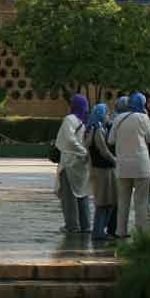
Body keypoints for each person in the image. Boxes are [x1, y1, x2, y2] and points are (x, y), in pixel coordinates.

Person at [108, 91, 150, 237]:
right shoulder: (143, 118)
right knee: (141, 201)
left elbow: (110, 140)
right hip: (141, 165)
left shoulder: (119, 118)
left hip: (123, 165)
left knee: (123, 200)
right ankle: (141, 232)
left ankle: (120, 231)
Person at [53, 94, 92, 234]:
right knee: (82, 194)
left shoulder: (70, 119)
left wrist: (81, 151)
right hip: (83, 163)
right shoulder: (87, 120)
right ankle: (85, 225)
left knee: (69, 196)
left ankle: (71, 226)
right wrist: (85, 153)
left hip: (70, 162)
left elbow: (69, 140)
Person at [87, 102, 118, 240]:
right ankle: (98, 231)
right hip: (102, 170)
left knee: (107, 200)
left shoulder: (98, 128)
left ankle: (100, 230)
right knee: (103, 201)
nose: (108, 116)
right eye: (106, 114)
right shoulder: (98, 130)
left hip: (102, 169)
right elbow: (103, 150)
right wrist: (115, 160)